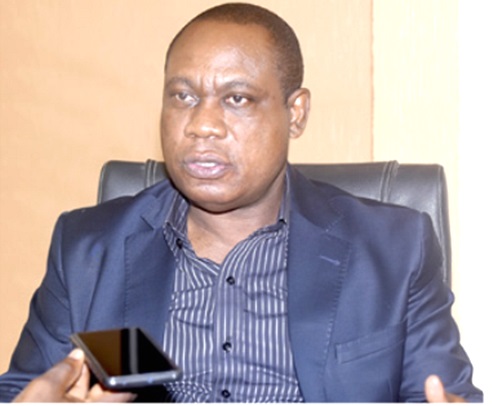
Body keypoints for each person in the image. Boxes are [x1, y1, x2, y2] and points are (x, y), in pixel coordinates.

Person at [0, 2, 483, 402]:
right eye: (183, 96)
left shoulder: (393, 250)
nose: (202, 125)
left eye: (237, 99)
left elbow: (440, 394)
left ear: (296, 114)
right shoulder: (89, 250)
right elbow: (25, 390)